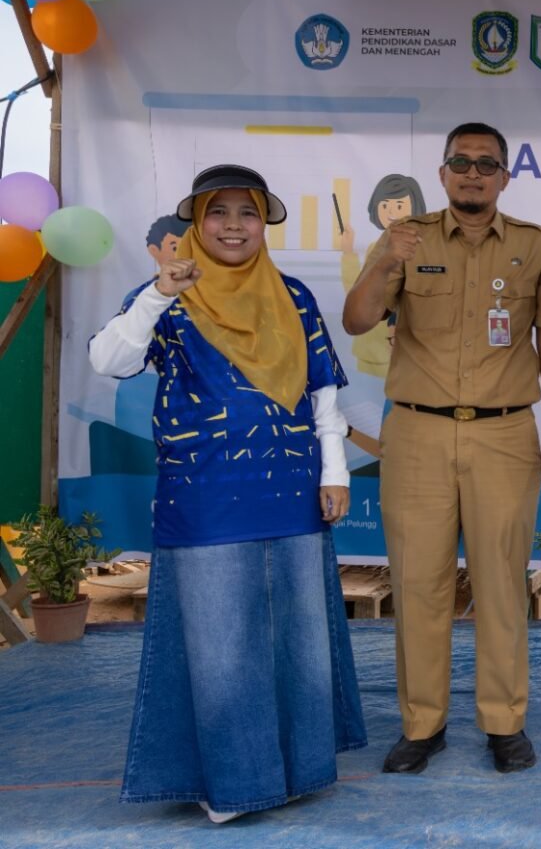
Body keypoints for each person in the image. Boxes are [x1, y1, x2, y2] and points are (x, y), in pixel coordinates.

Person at [93, 164, 366, 824]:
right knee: (218, 645)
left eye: (248, 213)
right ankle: (232, 784)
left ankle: (295, 772)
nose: (234, 225)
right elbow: (109, 360)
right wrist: (159, 293)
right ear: (196, 221)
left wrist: (334, 471)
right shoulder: (167, 292)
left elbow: (322, 393)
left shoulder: (294, 295)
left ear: (263, 224)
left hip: (293, 494)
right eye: (219, 212)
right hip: (203, 497)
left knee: (297, 641)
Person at [341, 123, 541, 775]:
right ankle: (423, 724)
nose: (473, 173)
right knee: (418, 582)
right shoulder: (405, 237)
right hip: (417, 431)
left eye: (486, 164)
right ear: (442, 173)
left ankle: (505, 721)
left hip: (505, 432)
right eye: (461, 162)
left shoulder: (535, 244)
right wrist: (386, 261)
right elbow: (357, 319)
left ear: (505, 177)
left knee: (501, 581)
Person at [339, 174, 426, 381]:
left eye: (399, 205)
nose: (391, 212)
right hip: (370, 350)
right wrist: (348, 252)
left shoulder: (424, 248)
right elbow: (358, 295)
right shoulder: (375, 248)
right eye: (385, 205)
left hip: (405, 353)